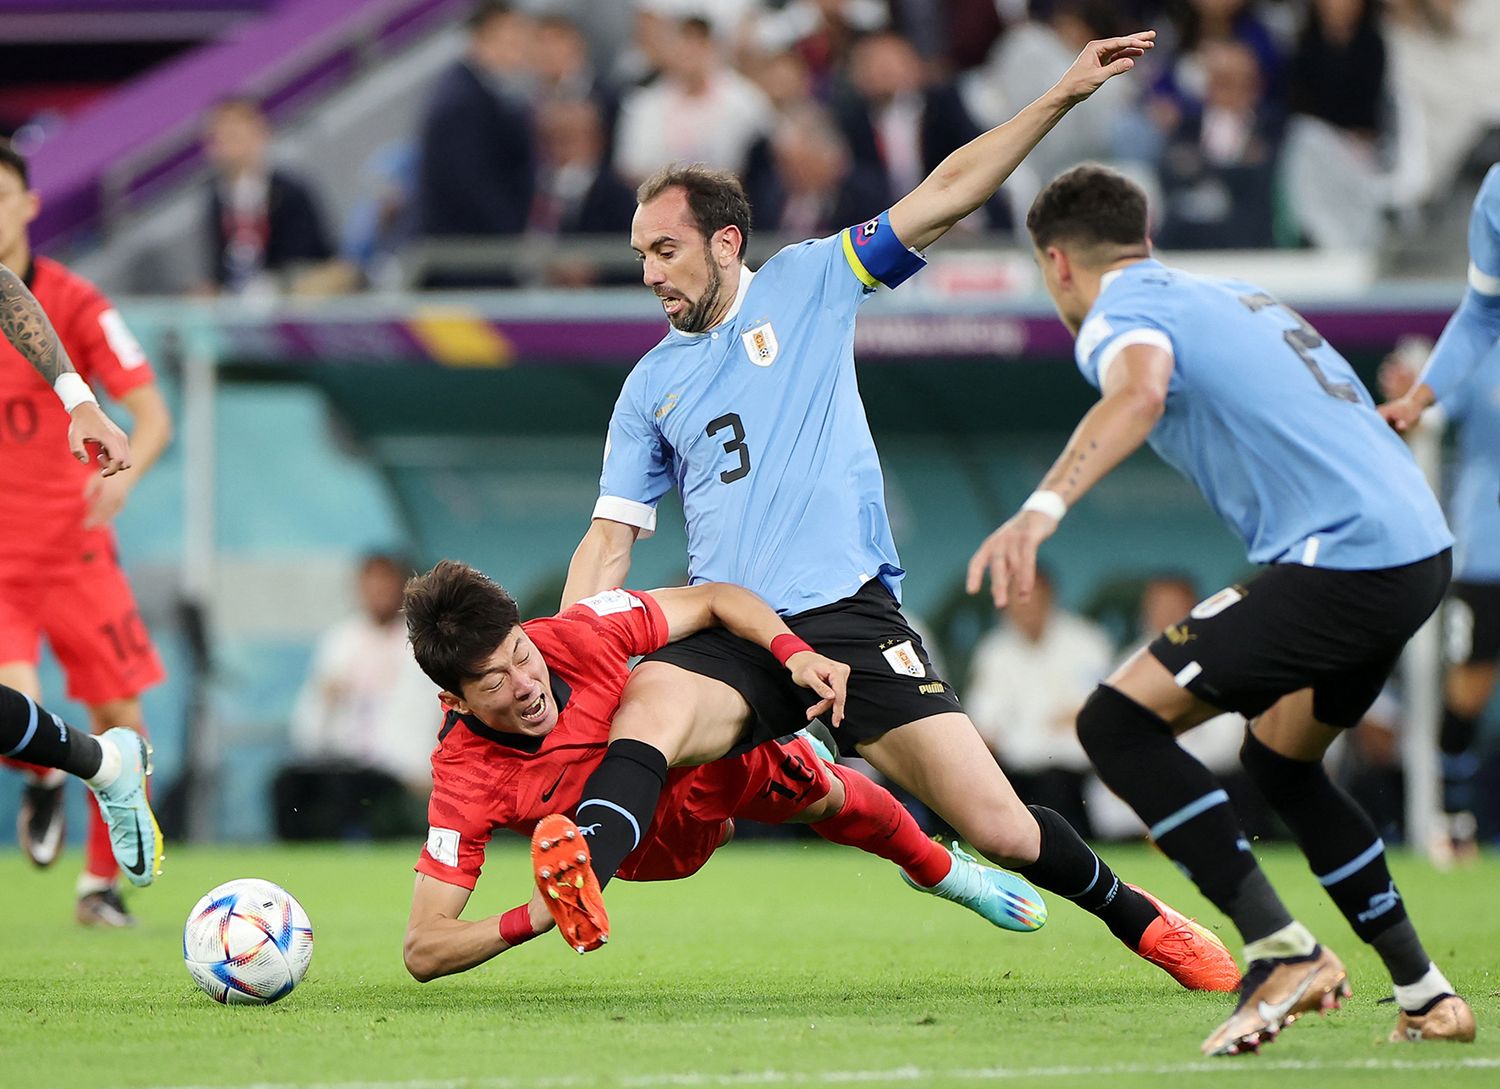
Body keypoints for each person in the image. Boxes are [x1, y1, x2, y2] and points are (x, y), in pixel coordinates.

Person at [552, 31, 1240, 994]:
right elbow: (610, 536)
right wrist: (576, 638)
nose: (650, 274)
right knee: (649, 703)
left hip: (851, 617)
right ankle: (579, 861)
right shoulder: (647, 386)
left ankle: (1148, 920)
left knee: (999, 826)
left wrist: (1058, 99)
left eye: (665, 251)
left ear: (724, 241)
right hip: (736, 625)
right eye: (639, 256)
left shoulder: (810, 280)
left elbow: (948, 191)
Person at [965, 162, 1474, 1055]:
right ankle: (1427, 992)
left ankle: (1281, 951)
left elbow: (1140, 389)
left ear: (1059, 266)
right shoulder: (1237, 295)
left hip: (1346, 558)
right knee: (1282, 765)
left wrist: (1040, 509)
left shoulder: (1120, 313)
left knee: (1117, 721)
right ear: (1145, 239)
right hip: (1413, 550)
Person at [401, 561, 1045, 973]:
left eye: (521, 652)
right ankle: (743, 799)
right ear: (454, 699)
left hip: (698, 765)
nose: (524, 683)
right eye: (494, 682)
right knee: (713, 833)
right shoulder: (464, 778)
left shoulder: (578, 634)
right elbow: (424, 948)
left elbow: (714, 599)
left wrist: (792, 653)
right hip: (644, 853)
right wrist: (534, 915)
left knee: (825, 796)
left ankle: (941, 871)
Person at [0, 143, 173, 927]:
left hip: (72, 544)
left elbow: (154, 412)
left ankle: (97, 886)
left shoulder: (75, 301)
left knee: (120, 708)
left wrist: (88, 416)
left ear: (30, 204)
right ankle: (53, 771)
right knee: (18, 706)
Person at [1379, 164, 1500, 862]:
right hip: (1488, 542)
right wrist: (1419, 395)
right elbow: (1480, 311)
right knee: (1470, 689)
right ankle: (1456, 818)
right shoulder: (1494, 195)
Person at [272, 554, 439, 841]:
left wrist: (429, 768)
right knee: (287, 784)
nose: (379, 594)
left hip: (394, 764)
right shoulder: (340, 641)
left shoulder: (422, 644)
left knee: (348, 788)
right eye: (371, 585)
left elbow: (434, 712)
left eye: (386, 585)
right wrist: (327, 701)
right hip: (341, 756)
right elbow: (309, 719)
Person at [965, 566, 1113, 836]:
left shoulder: (1086, 641)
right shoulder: (994, 650)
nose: (1024, 607)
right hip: (1014, 771)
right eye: (1015, 597)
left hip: (1072, 775)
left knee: (1056, 788)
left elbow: (1091, 713)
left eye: (1030, 595)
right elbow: (984, 723)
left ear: (1049, 596)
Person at [413, 0, 537, 284]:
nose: (519, 48)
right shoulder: (462, 101)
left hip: (476, 255)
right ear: (482, 38)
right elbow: (471, 185)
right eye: (511, 38)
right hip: (467, 263)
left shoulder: (481, 94)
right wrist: (509, 236)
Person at [202, 97, 335, 295]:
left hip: (292, 292)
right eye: (220, 138)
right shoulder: (216, 198)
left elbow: (309, 257)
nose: (227, 147)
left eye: (235, 136)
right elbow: (220, 268)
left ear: (259, 134)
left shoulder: (290, 191)